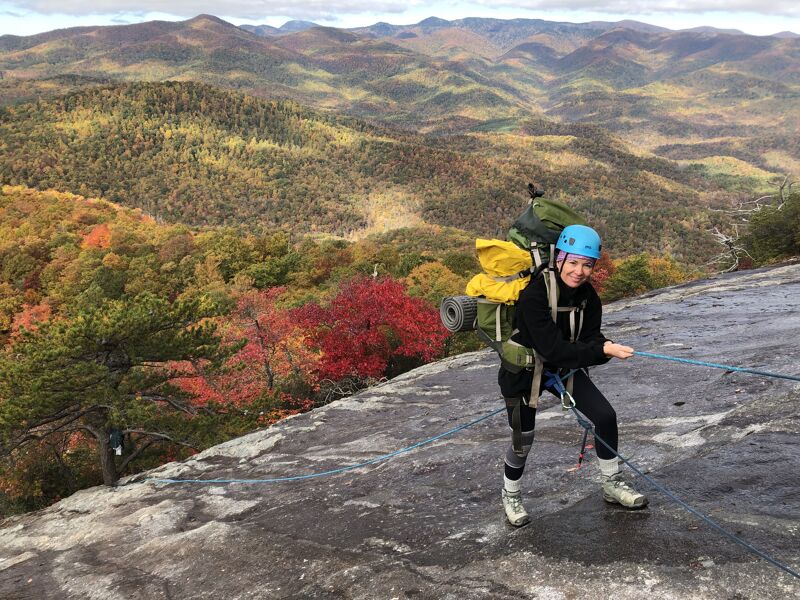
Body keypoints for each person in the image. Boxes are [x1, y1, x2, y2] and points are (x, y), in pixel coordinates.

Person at [498, 224, 648, 527]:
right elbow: (553, 349)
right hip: (525, 371)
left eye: (587, 265)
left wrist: (605, 347)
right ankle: (510, 493)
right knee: (522, 439)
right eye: (574, 262)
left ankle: (611, 483)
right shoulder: (535, 295)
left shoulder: (588, 298)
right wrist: (602, 350)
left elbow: (591, 338)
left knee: (605, 416)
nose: (579, 271)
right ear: (560, 259)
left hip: (563, 369)